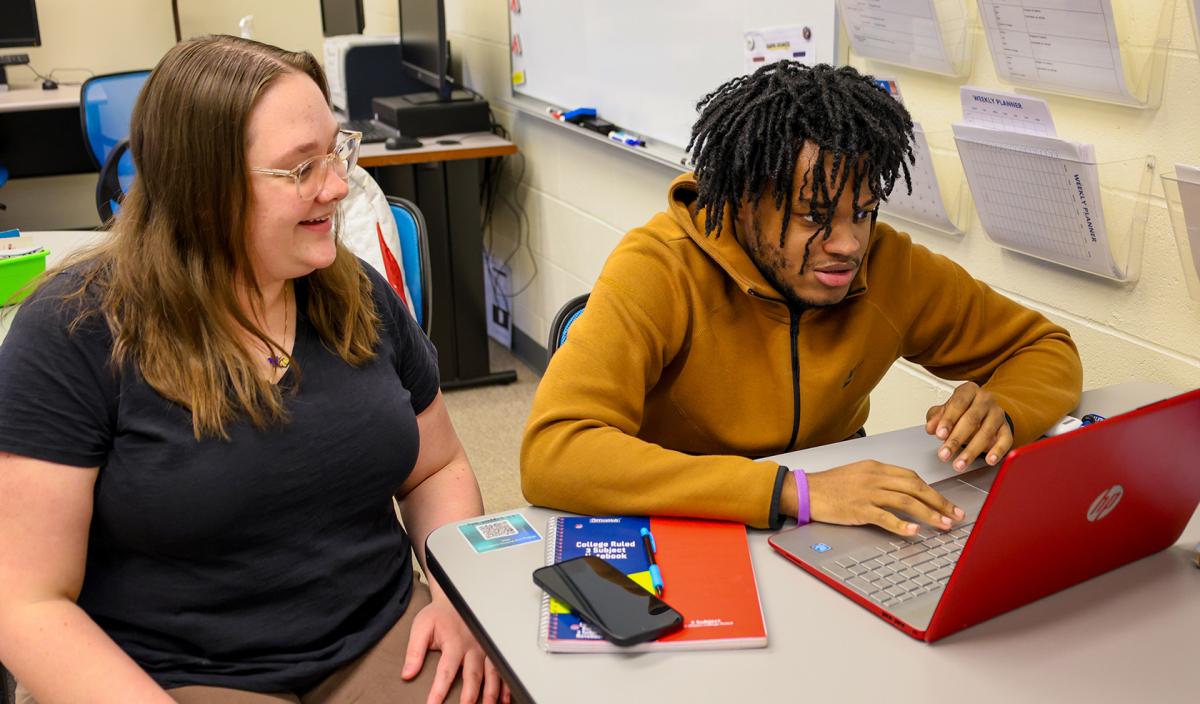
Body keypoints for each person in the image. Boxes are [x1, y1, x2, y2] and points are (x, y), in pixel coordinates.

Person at [0, 36, 507, 704]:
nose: (336, 186)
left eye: (336, 151)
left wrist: (455, 598)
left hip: (381, 635)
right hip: (180, 674)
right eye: (301, 169)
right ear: (201, 190)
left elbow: (437, 467)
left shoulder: (352, 292)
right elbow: (27, 601)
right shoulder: (73, 330)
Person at [521, 62, 1083, 534]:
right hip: (686, 518)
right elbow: (555, 451)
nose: (848, 245)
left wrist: (1005, 407)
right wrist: (796, 493)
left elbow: (1044, 347)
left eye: (863, 212)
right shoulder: (659, 266)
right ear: (742, 200)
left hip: (831, 524)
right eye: (814, 216)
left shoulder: (890, 264)